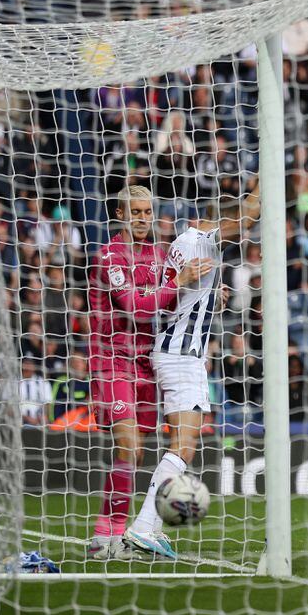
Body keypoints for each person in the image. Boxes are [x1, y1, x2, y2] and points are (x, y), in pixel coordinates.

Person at [124, 184, 261, 558]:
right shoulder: (200, 238)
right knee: (183, 446)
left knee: (185, 445)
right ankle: (143, 527)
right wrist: (266, 177)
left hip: (179, 352)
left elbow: (174, 294)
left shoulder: (187, 243)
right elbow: (248, 216)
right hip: (180, 356)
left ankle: (146, 527)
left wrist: (206, 294)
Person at [86, 186, 213, 561]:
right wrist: (179, 283)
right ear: (120, 215)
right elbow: (136, 308)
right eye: (135, 212)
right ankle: (104, 535)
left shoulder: (159, 255)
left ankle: (122, 535)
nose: (142, 218)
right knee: (130, 446)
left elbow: (175, 297)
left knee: (135, 455)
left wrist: (206, 294)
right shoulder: (110, 256)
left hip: (147, 362)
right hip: (113, 361)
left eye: (147, 212)